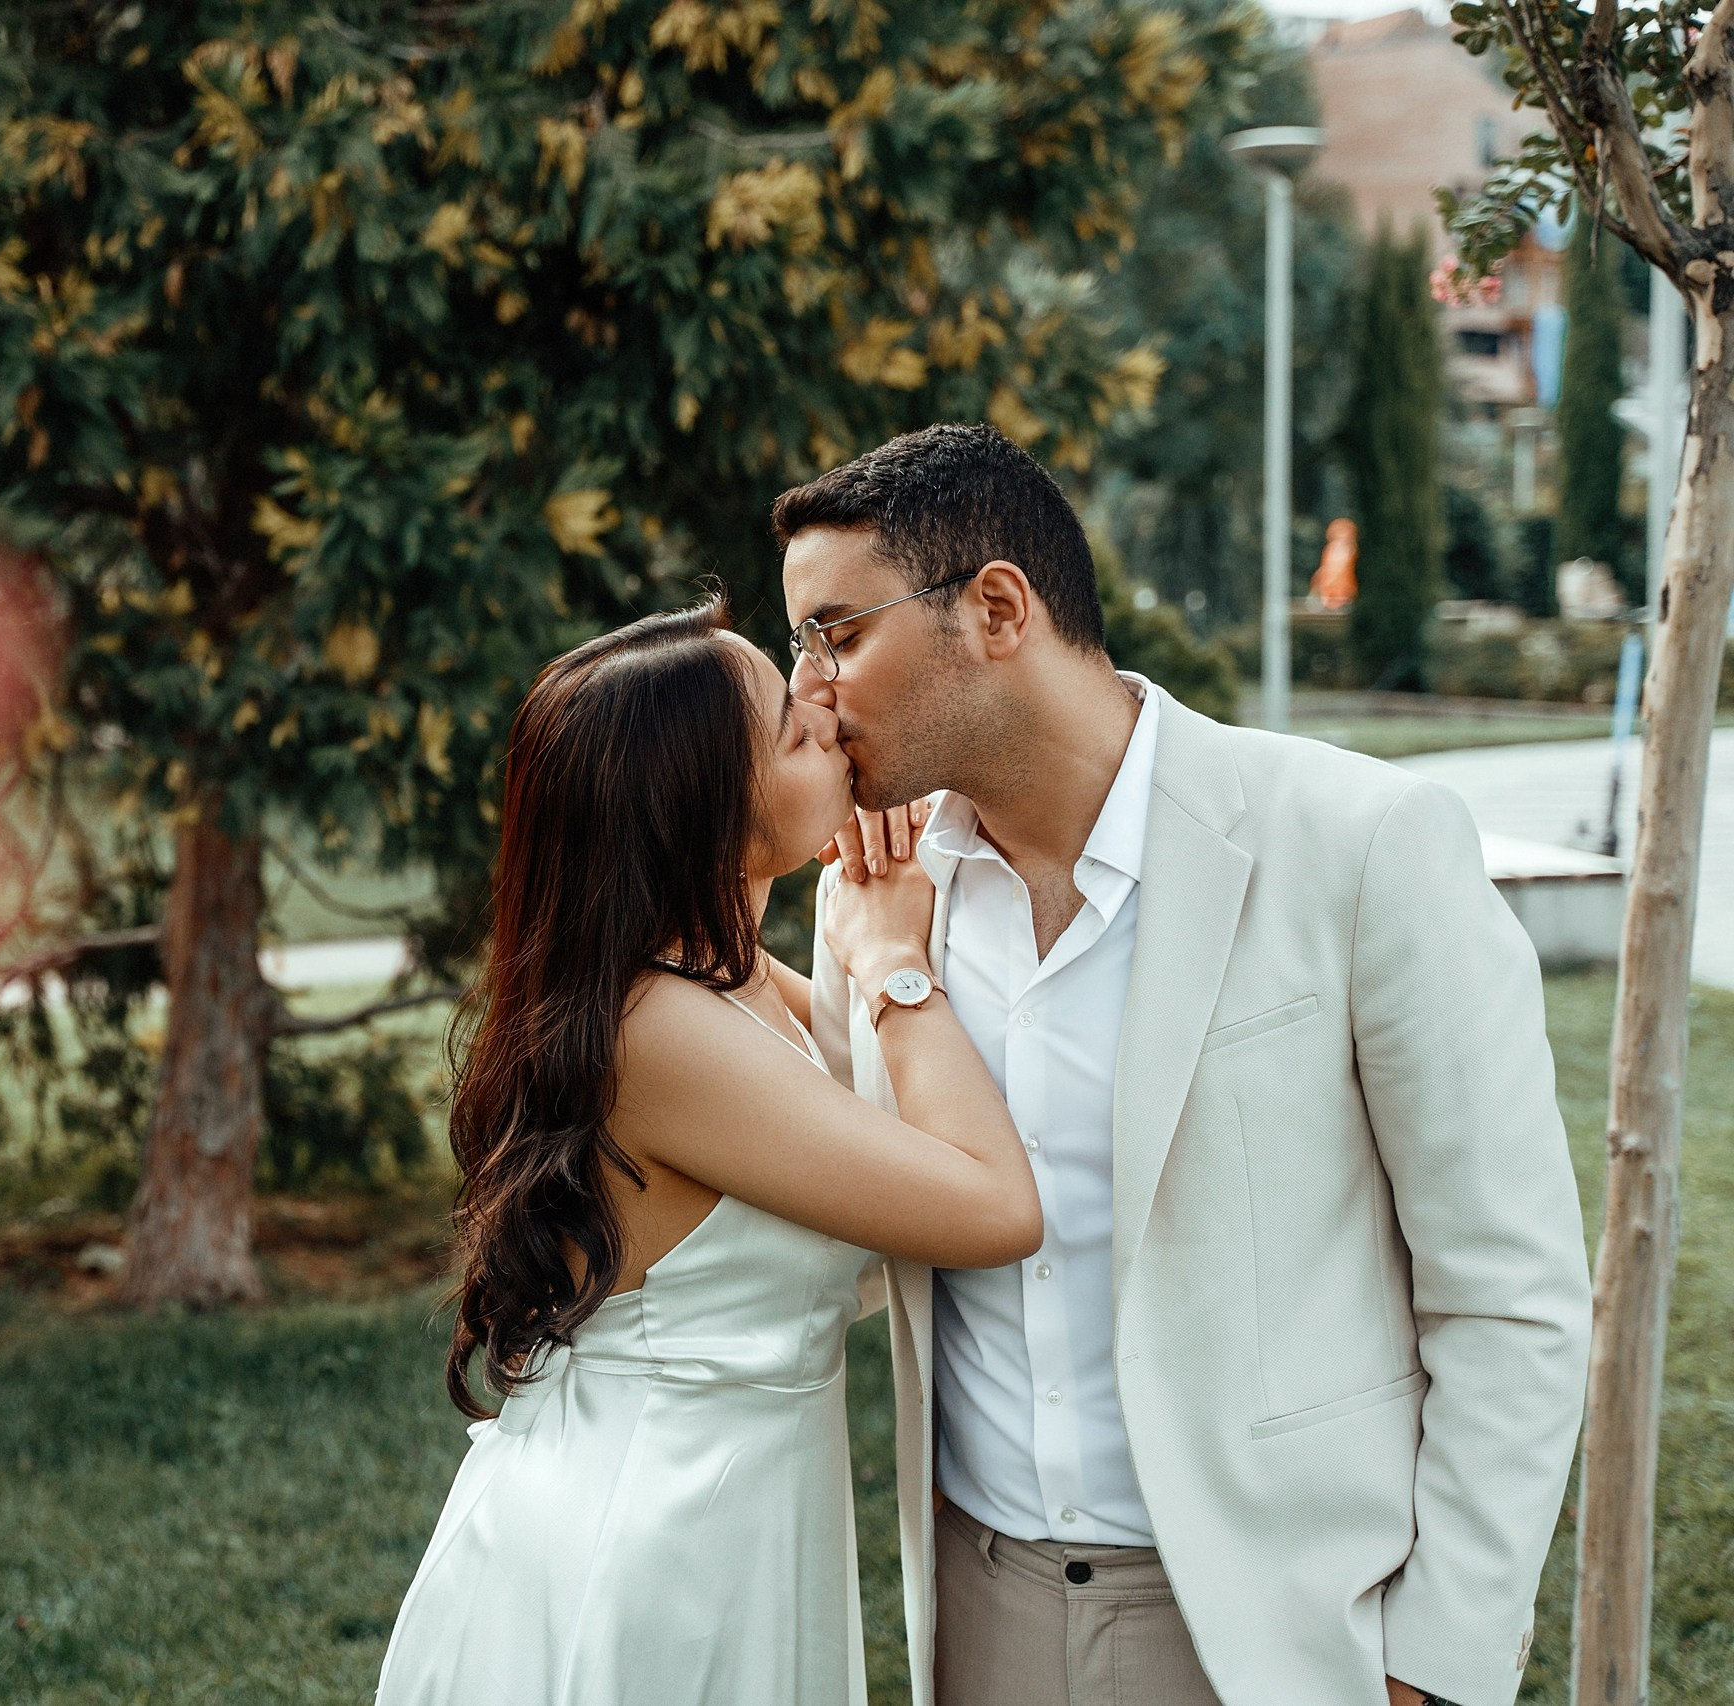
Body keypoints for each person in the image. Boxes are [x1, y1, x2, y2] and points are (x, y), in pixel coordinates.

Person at [782, 424, 1592, 1706]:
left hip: (1275, 1633)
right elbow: (854, 1217)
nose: (809, 689)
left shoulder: (1362, 842)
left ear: (996, 608)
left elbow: (1512, 1295)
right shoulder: (878, 901)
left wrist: (1436, 1661)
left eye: (835, 634)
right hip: (974, 1614)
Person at [374, 597, 1043, 1706]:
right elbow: (989, 1205)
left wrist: (881, 879)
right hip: (647, 1547)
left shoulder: (723, 986)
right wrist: (889, 962)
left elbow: (889, 1148)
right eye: (791, 723)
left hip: (725, 1511)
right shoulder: (660, 1031)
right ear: (697, 812)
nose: (828, 709)